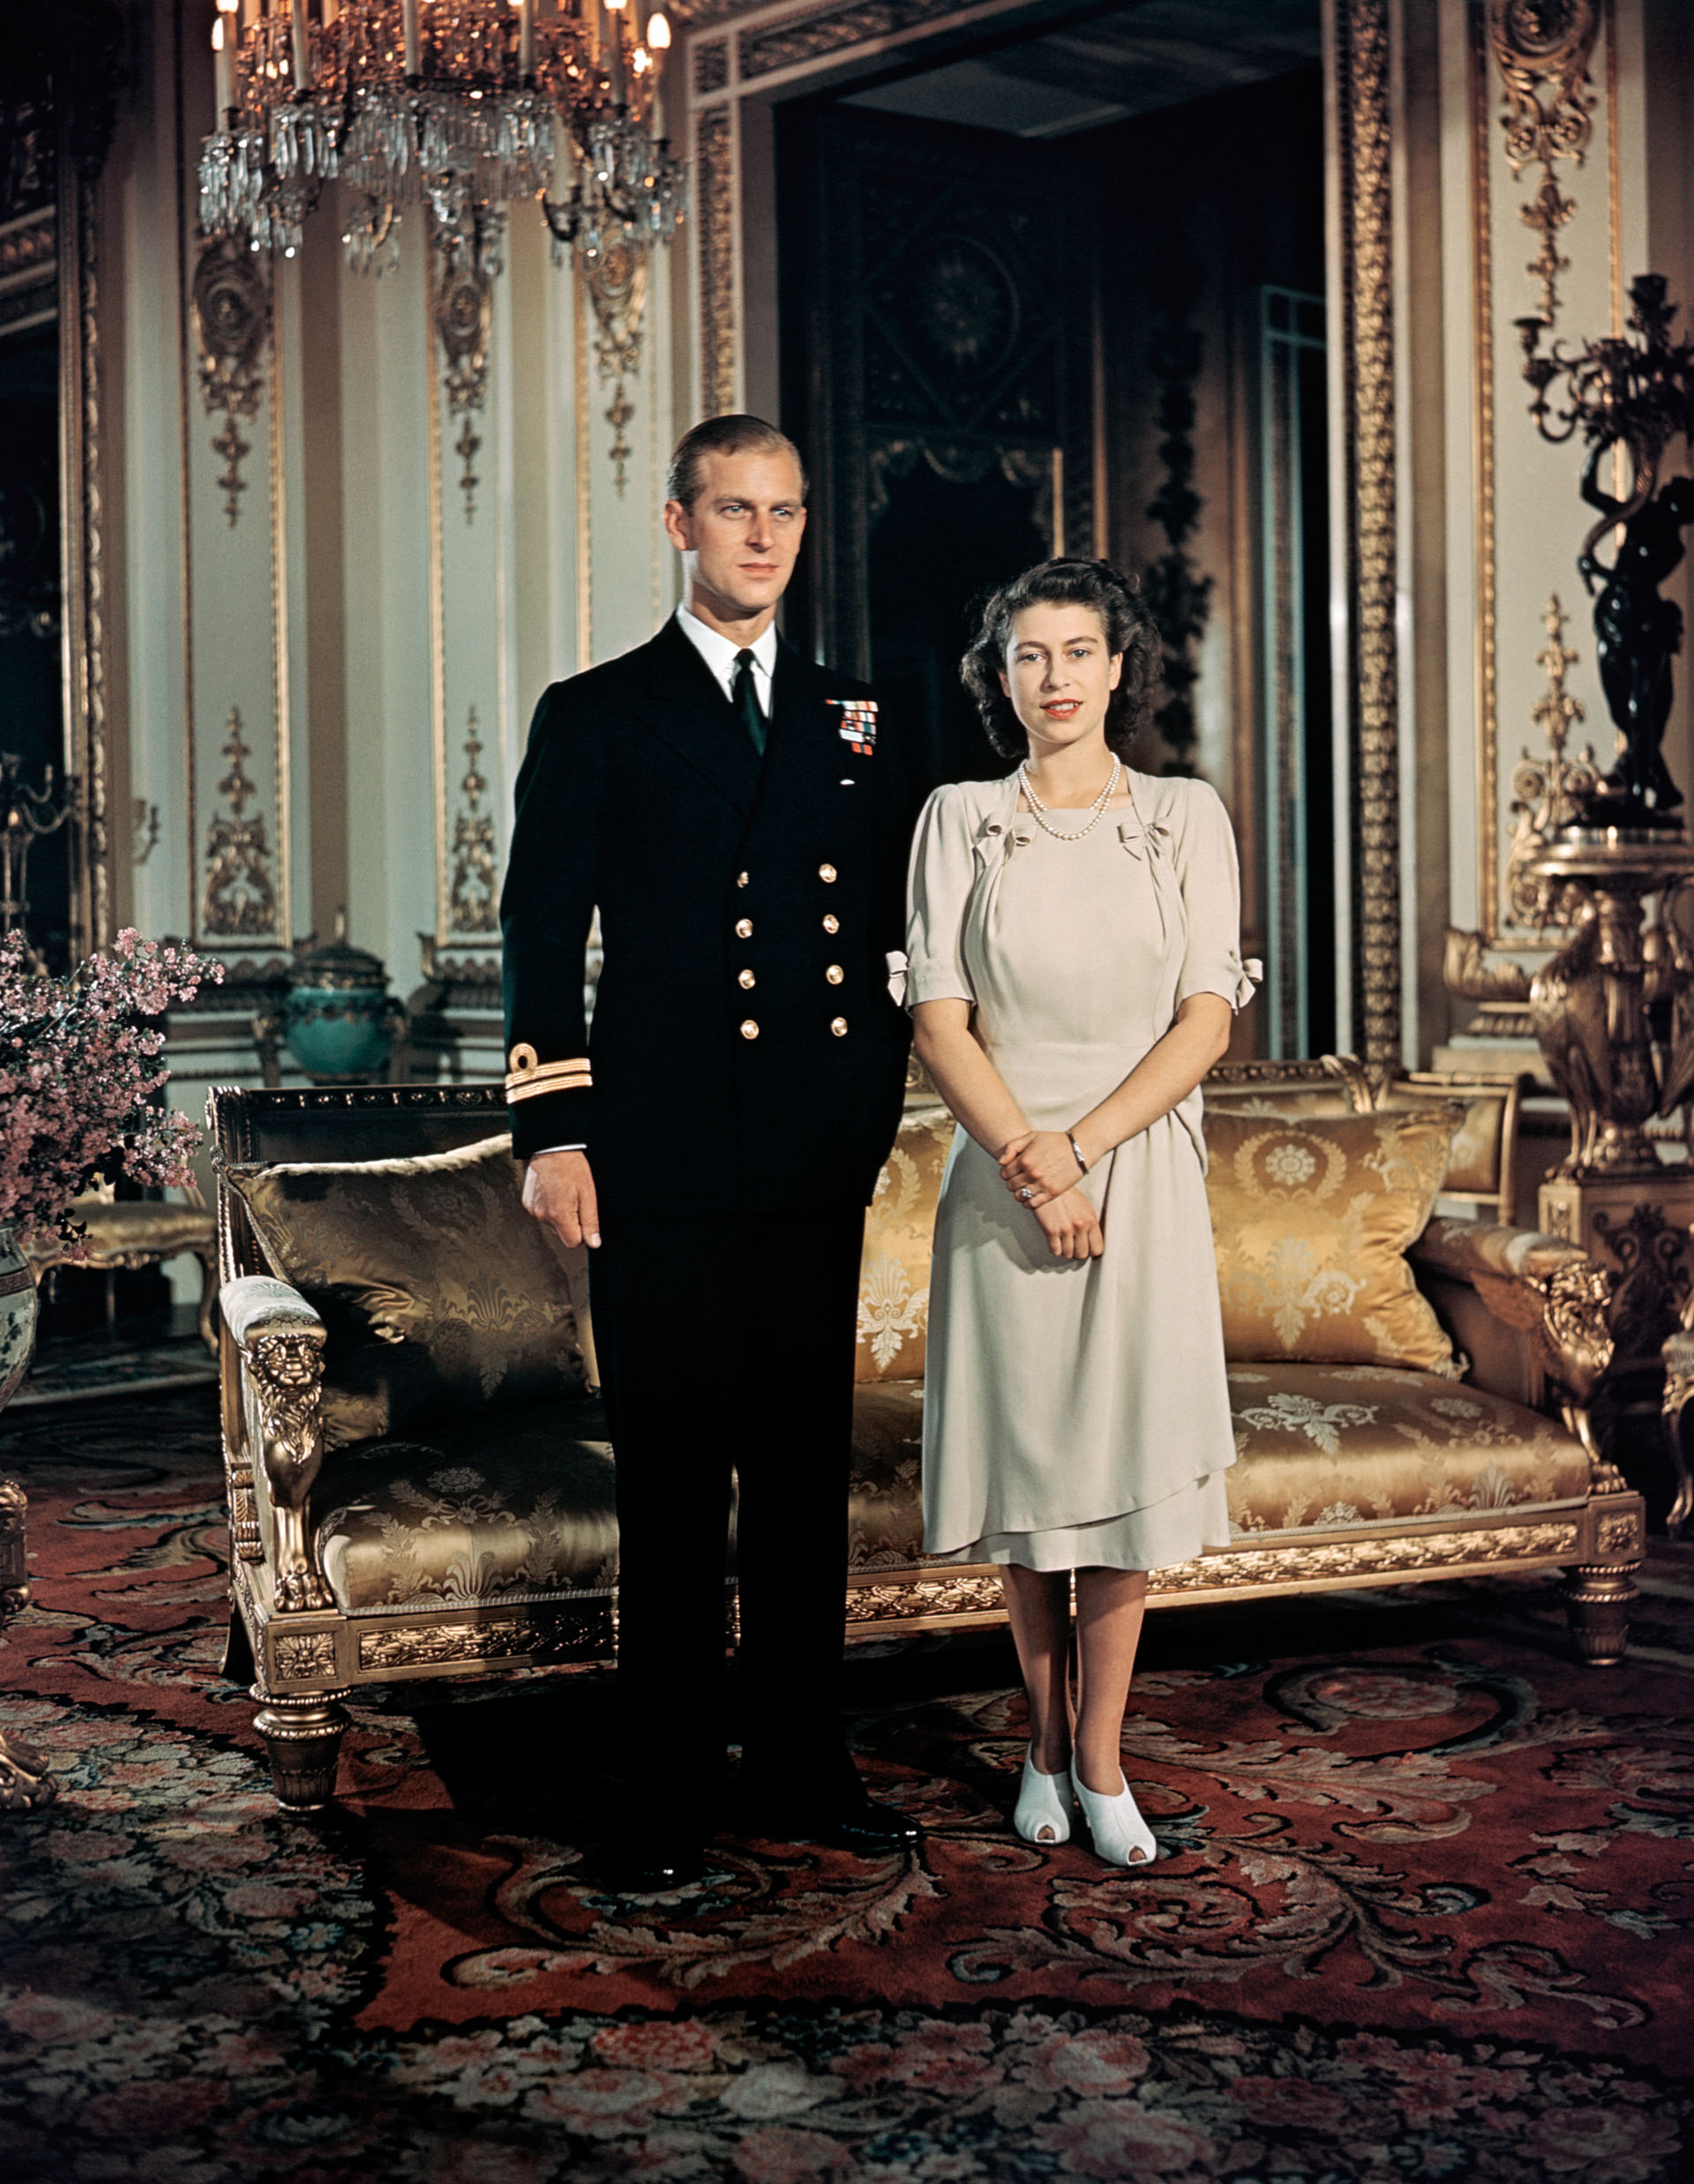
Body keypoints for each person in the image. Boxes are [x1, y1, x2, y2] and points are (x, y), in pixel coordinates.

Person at [501, 414, 922, 1892]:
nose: (763, 537)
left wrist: (873, 1103)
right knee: (675, 1484)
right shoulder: (599, 710)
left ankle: (806, 1765)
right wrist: (554, 1130)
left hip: (813, 1153)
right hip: (661, 1154)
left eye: (785, 512)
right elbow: (540, 932)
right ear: (679, 525)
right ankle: (667, 1792)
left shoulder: (857, 713)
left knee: (804, 1477)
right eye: (735, 510)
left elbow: (893, 929)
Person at [904, 557, 1256, 1866]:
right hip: (1002, 1181)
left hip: (1138, 1171)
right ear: (1000, 678)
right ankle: (1039, 1746)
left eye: (1078, 652)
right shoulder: (958, 818)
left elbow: (1206, 1017)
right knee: (1035, 1485)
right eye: (1029, 655)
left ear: (1119, 668)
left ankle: (1099, 1761)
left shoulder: (1183, 815)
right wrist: (1030, 1160)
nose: (1055, 677)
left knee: (1118, 1485)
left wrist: (1085, 1155)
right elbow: (938, 1017)